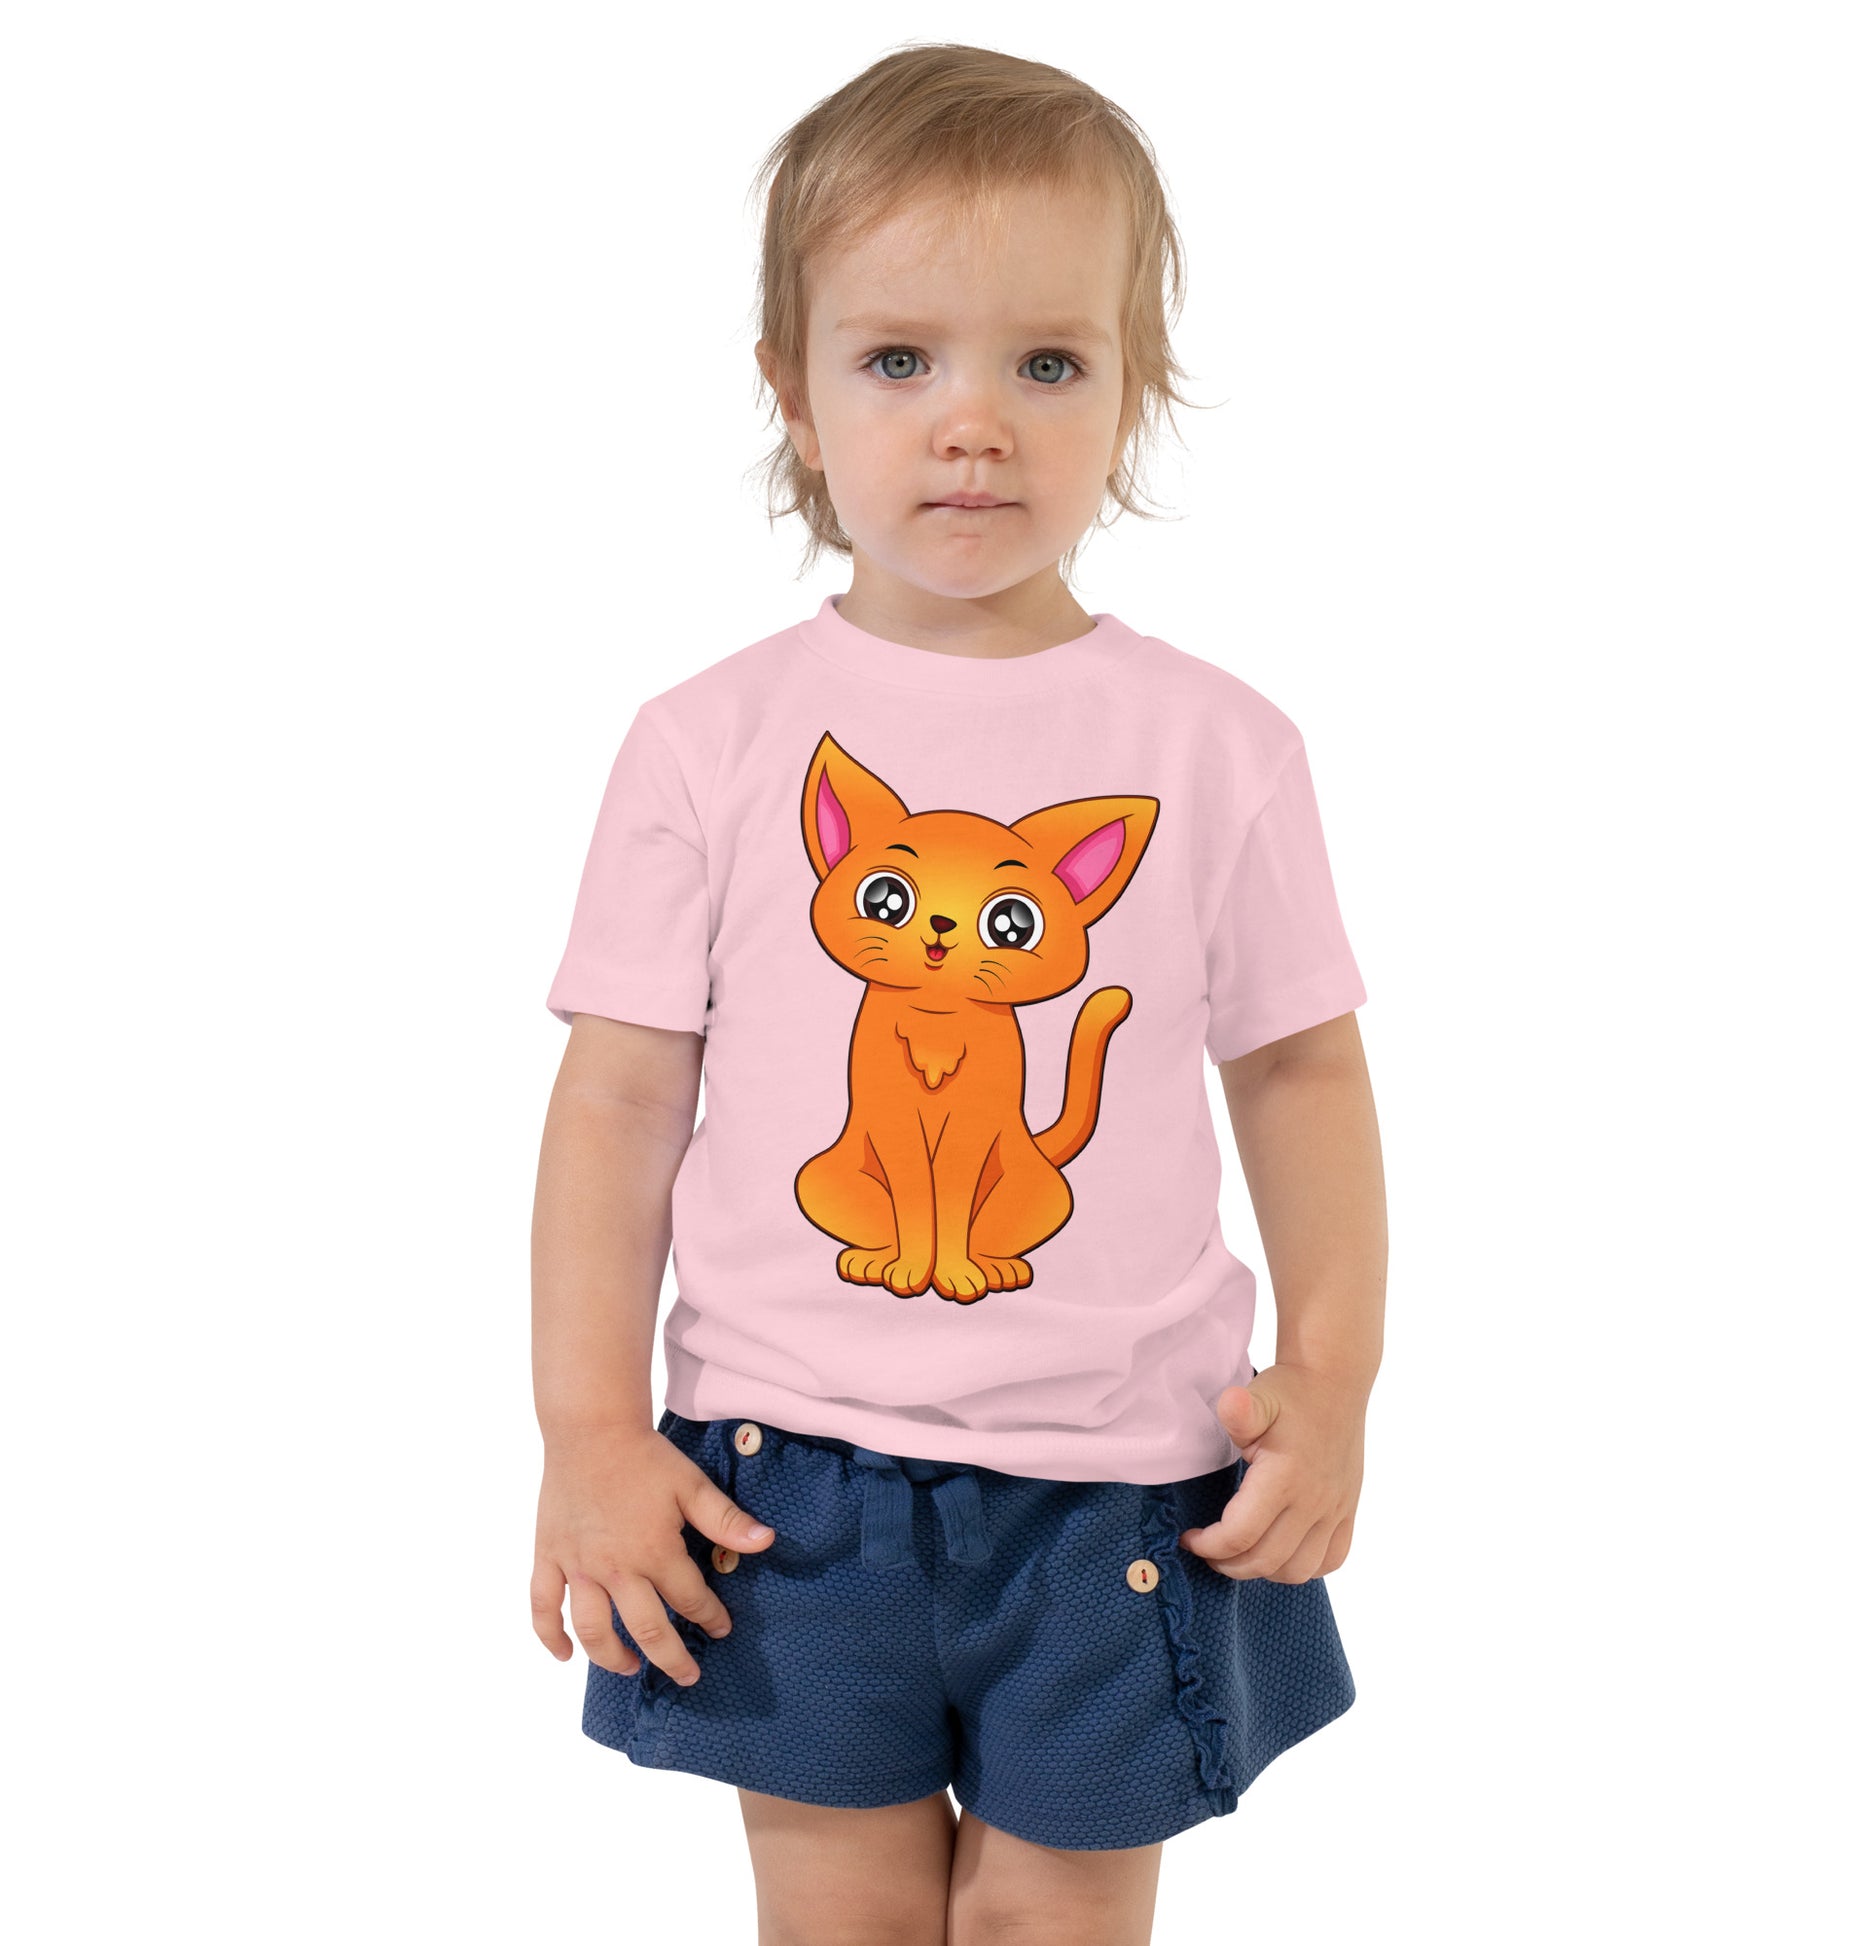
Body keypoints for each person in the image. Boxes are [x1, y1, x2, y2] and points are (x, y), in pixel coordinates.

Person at [530, 41, 1387, 1946]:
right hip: (783, 1475)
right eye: (900, 358)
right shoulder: (709, 742)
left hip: (1122, 1479)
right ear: (795, 389)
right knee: (834, 1916)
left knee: (1051, 1924)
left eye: (1047, 363)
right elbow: (617, 1101)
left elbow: (1302, 1074)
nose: (973, 424)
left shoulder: (1214, 748)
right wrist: (588, 1429)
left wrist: (1331, 1377)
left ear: (1131, 388)